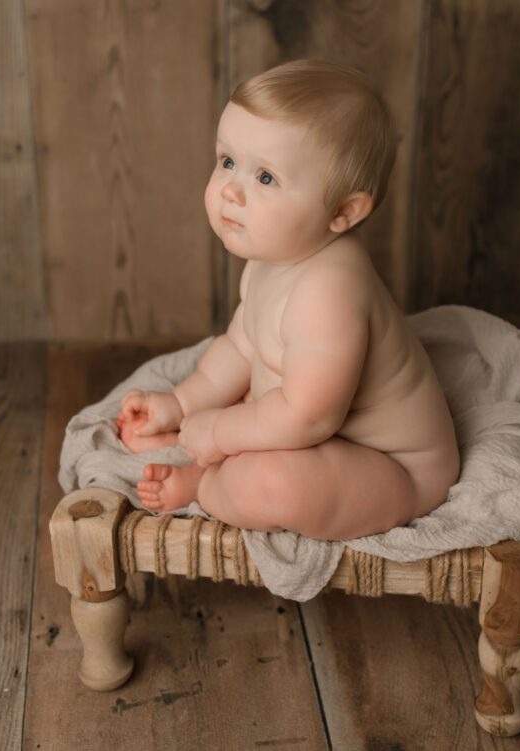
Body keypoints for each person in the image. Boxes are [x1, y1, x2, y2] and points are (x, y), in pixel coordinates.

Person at [115, 59, 460, 541]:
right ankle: (207, 458)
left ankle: (205, 482)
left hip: (391, 470)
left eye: (267, 178)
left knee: (274, 485)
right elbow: (240, 349)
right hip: (313, 438)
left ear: (342, 212)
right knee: (252, 416)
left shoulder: (330, 290)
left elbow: (308, 415)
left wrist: (216, 433)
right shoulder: (271, 258)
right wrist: (181, 405)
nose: (231, 190)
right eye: (227, 161)